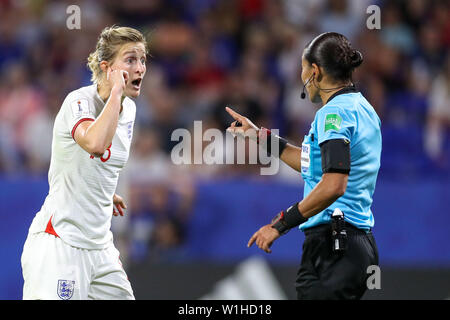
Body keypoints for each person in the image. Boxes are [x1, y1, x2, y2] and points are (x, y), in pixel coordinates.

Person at [226, 32, 381, 300]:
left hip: (334, 247)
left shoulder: (333, 114)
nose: (300, 75)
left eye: (302, 67)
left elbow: (333, 184)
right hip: (355, 244)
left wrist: (282, 223)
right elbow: (315, 166)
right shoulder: (362, 108)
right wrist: (258, 135)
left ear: (315, 71)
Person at [20, 26, 148, 300]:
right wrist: (115, 93)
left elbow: (94, 162)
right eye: (130, 60)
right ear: (106, 67)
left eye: (142, 60)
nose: (140, 68)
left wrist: (98, 191)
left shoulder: (130, 110)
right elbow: (94, 143)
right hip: (61, 242)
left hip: (100, 248)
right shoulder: (78, 101)